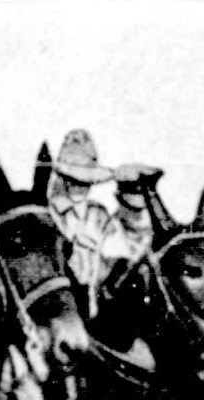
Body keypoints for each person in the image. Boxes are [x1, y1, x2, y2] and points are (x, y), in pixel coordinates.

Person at [46, 129, 121, 318]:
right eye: (75, 181)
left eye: (85, 182)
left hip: (97, 299)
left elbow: (116, 257)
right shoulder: (51, 214)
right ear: (64, 180)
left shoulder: (100, 215)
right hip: (62, 302)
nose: (80, 188)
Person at [106, 163, 164, 263]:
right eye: (135, 210)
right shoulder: (109, 233)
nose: (141, 216)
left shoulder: (159, 232)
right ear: (119, 198)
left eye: (145, 209)